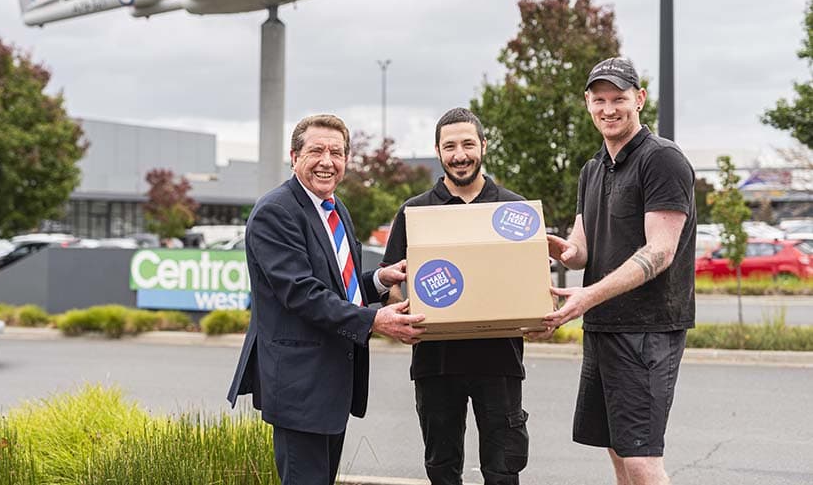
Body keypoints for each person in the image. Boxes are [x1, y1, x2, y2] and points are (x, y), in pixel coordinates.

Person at [227, 114, 426, 485]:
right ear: (294, 156)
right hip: (300, 388)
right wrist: (374, 321)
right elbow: (301, 293)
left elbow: (340, 289)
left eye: (336, 152)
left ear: (347, 160)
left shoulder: (335, 210)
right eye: (316, 150)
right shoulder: (276, 212)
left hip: (333, 384)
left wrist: (380, 281)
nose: (327, 161)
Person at [544, 57, 697, 485]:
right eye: (599, 100)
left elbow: (661, 251)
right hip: (605, 325)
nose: (609, 109)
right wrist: (561, 250)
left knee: (641, 459)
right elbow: (581, 249)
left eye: (619, 98)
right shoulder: (592, 169)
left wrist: (586, 297)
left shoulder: (662, 160)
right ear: (587, 104)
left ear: (640, 100)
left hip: (647, 329)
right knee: (616, 447)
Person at [379, 107, 531, 485]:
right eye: (450, 146)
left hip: (499, 361)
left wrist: (538, 315)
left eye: (467, 144)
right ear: (438, 151)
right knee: (442, 469)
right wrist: (399, 312)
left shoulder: (513, 209)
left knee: (503, 470)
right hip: (436, 362)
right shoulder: (415, 212)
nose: (460, 154)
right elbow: (391, 280)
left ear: (483, 145)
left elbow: (530, 282)